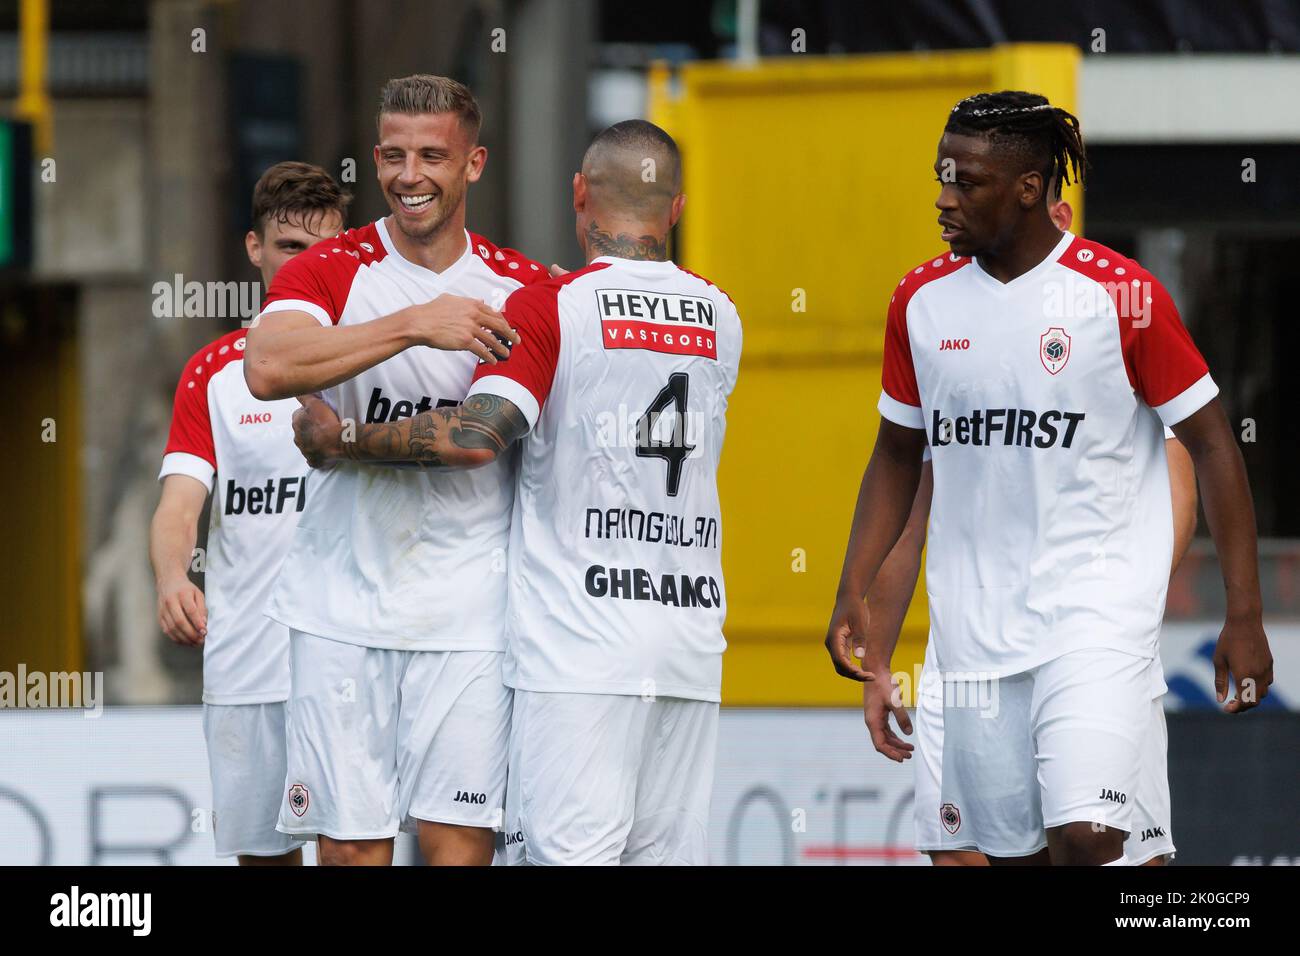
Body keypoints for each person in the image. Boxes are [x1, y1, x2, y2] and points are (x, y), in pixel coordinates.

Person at [825, 90, 1273, 865]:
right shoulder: (920, 302)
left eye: (964, 181)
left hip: (1094, 621)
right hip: (973, 635)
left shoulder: (1121, 297)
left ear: (1029, 188)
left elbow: (1210, 445)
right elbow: (898, 457)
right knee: (1010, 854)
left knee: (1090, 835)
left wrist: (1243, 611)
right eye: (942, 176)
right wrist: (851, 593)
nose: (943, 197)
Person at [291, 119, 742, 865]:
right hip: (689, 642)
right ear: (679, 209)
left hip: (578, 650)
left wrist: (345, 440)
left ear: (578, 195)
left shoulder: (550, 305)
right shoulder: (721, 314)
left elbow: (474, 437)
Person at [243, 74, 547, 866]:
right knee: (350, 853)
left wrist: (344, 440)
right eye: (394, 155)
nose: (410, 175)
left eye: (433, 156)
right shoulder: (327, 269)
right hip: (339, 606)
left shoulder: (524, 287)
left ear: (474, 163)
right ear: (375, 160)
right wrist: (416, 323)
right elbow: (268, 365)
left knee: (456, 846)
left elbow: (476, 438)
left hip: (472, 612)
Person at [870, 193, 1193, 867]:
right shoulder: (947, 329)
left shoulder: (1111, 321)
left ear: (1058, 213)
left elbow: (1178, 473)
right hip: (970, 652)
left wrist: (1109, 615)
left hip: (1086, 643)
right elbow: (913, 508)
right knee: (963, 854)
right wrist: (879, 655)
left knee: (1115, 856)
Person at [149, 160, 350, 865]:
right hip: (248, 667)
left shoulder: (374, 356)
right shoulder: (214, 373)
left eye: (326, 247)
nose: (309, 264)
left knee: (357, 852)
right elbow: (179, 505)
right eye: (292, 247)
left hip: (352, 655)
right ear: (255, 250)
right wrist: (174, 576)